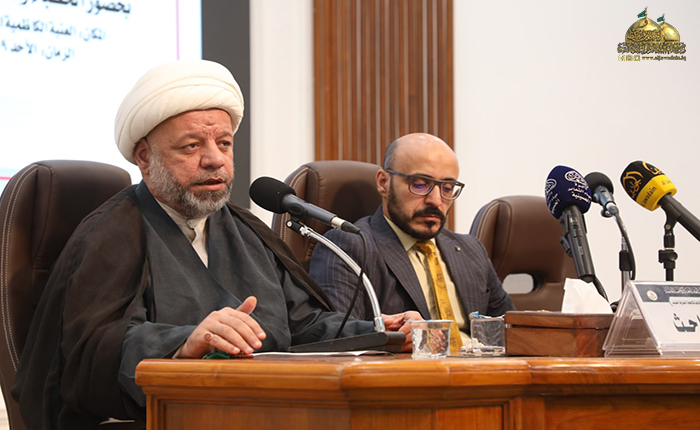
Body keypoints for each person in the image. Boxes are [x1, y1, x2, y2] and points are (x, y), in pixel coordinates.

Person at [12, 60, 418, 430]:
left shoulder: (245, 229)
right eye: (191, 146)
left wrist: (378, 330)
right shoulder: (111, 234)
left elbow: (302, 325)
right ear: (145, 157)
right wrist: (184, 342)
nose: (214, 160)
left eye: (223, 143)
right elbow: (92, 352)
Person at [308, 133, 515, 352]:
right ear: (383, 183)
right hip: (409, 370)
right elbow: (336, 335)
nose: (436, 200)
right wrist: (387, 334)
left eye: (447, 188)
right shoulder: (349, 246)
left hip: (483, 369)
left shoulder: (471, 250)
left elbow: (512, 330)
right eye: (420, 184)